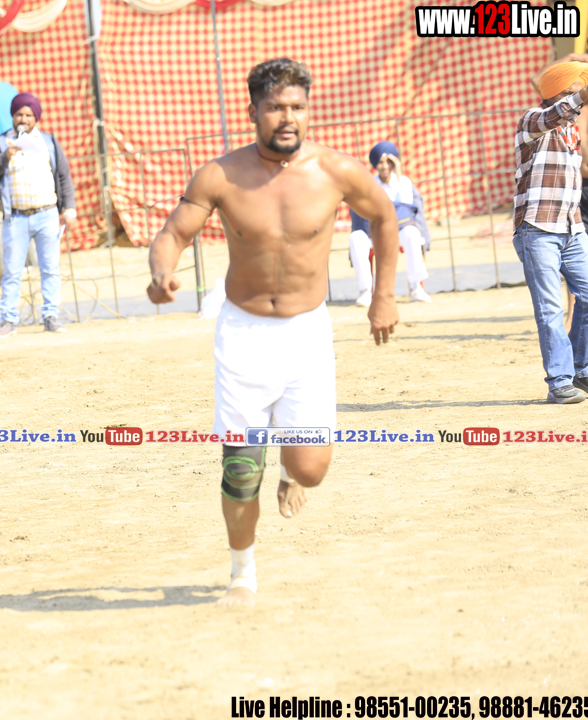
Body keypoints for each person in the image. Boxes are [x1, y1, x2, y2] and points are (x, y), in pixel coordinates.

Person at [146, 58, 400, 607]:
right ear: (253, 111)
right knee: (240, 469)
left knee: (311, 468)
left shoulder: (335, 171)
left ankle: (292, 473)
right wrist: (161, 271)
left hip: (307, 334)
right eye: (275, 107)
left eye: (297, 107)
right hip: (244, 334)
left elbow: (384, 216)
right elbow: (173, 233)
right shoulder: (220, 175)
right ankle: (242, 574)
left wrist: (383, 295)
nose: (288, 117)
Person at [513, 62, 588, 403]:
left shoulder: (571, 130)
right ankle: (560, 381)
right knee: (550, 309)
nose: (578, 101)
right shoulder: (532, 120)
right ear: (554, 95)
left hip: (572, 227)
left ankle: (581, 370)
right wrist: (586, 92)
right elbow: (556, 114)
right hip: (537, 229)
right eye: (571, 93)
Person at [0, 91, 76, 337]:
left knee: (50, 268)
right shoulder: (0, 143)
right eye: (19, 114)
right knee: (12, 271)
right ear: (13, 116)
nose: (23, 119)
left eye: (28, 115)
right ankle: (9, 321)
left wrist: (69, 208)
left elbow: (63, 176)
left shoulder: (48, 142)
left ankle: (51, 316)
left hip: (46, 214)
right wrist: (4, 158)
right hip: (16, 218)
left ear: (36, 118)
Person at [531, 33, 588, 325]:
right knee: (577, 255)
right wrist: (573, 58)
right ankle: (574, 313)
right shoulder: (571, 99)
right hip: (576, 187)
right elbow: (539, 81)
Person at [348, 141, 432, 306]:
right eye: (381, 162)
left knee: (412, 233)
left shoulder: (404, 182)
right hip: (375, 233)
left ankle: (416, 288)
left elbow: (407, 205)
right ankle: (365, 291)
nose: (385, 166)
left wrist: (398, 172)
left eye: (389, 162)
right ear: (375, 164)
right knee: (356, 238)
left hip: (398, 232)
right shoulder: (369, 184)